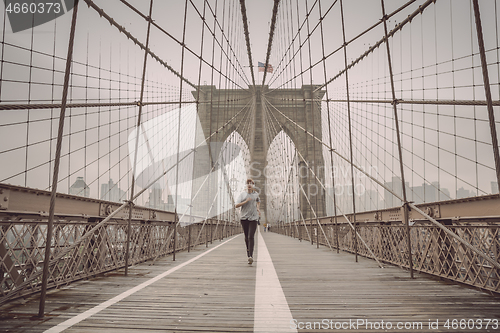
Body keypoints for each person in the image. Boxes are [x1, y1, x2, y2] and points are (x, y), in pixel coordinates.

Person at [235, 178, 260, 264]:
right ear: (246, 185)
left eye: (251, 183)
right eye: (248, 183)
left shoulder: (256, 194)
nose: (249, 184)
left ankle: (251, 256)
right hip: (244, 218)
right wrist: (245, 201)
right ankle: (248, 253)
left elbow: (258, 201)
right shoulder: (242, 194)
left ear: (253, 185)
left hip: (253, 218)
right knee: (246, 237)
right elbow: (236, 205)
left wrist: (258, 208)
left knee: (251, 236)